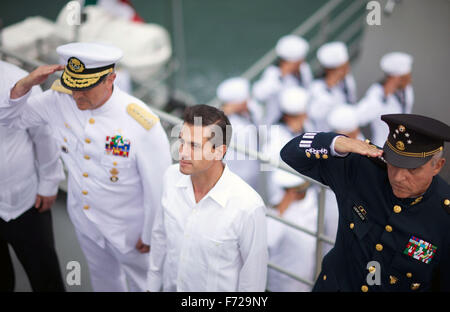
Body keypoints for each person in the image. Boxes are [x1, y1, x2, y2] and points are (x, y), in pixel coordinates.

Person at [0, 42, 172, 292]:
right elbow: (7, 119)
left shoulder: (141, 124)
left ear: (110, 79)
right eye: (72, 86)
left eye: (86, 88)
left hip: (131, 232)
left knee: (145, 285)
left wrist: (151, 235)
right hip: (86, 222)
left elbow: (158, 188)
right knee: (103, 281)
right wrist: (25, 84)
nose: (77, 95)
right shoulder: (59, 100)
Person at [280, 113, 450, 292]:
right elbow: (290, 153)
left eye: (412, 169)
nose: (399, 177)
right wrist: (336, 142)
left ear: (438, 166)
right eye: (394, 162)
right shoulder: (364, 169)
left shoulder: (444, 216)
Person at [147, 104, 268, 292]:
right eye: (181, 141)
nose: (183, 152)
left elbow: (252, 283)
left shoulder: (248, 206)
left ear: (219, 151)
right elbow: (159, 237)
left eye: (194, 145)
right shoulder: (170, 177)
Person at [0, 60, 65, 292]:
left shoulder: (18, 81)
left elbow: (44, 134)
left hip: (26, 201)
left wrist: (49, 182)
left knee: (45, 276)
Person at [266, 169, 317, 292]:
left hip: (307, 274)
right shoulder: (276, 207)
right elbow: (268, 240)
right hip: (282, 279)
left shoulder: (312, 199)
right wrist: (281, 210)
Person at [263, 85, 314, 206]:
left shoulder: (306, 125)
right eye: (301, 115)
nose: (306, 116)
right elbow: (272, 166)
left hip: (307, 187)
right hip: (289, 193)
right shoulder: (275, 135)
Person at [253, 34, 312, 125]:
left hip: (299, 117)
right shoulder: (272, 73)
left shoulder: (304, 69)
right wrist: (281, 77)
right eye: (298, 62)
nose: (302, 63)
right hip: (277, 122)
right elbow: (259, 94)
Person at [356, 52, 414, 146]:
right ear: (395, 78)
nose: (410, 80)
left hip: (402, 143)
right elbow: (361, 117)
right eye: (405, 78)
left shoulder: (406, 89)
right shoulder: (377, 93)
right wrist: (383, 98)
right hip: (382, 145)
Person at [217, 77, 263, 190]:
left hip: (253, 170)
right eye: (244, 100)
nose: (247, 101)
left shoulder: (251, 109)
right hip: (236, 176)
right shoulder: (226, 126)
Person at [308, 41, 357, 132]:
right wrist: (329, 88)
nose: (348, 70)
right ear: (331, 71)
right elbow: (315, 114)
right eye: (343, 68)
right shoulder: (316, 87)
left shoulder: (347, 80)